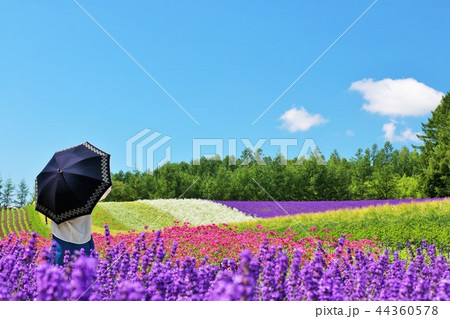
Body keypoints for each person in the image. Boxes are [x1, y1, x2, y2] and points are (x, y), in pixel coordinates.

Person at [51, 186, 111, 265]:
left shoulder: (53, 192)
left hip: (60, 242)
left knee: (58, 274)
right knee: (86, 275)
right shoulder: (84, 190)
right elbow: (105, 190)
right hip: (83, 240)